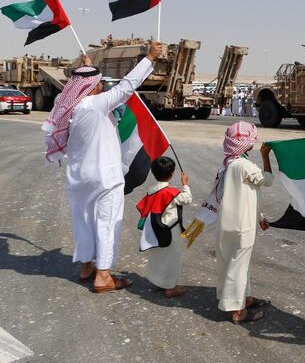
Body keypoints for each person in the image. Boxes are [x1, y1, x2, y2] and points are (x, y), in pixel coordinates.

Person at [42, 42, 161, 292]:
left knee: (83, 221)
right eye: (99, 84)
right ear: (94, 87)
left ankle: (86, 267)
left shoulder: (68, 106)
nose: (101, 87)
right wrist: (150, 57)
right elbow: (128, 84)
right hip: (104, 178)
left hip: (78, 178)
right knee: (107, 222)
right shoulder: (96, 105)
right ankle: (103, 276)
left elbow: (86, 86)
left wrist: (88, 67)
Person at [216, 121, 274, 324]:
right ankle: (237, 310)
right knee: (238, 266)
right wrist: (266, 156)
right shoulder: (244, 165)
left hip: (228, 222)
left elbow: (246, 194)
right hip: (242, 225)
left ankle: (245, 298)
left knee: (235, 262)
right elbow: (267, 180)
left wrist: (260, 217)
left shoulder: (229, 163)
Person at [137, 157, 193, 298]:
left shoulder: (151, 190)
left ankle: (158, 282)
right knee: (172, 258)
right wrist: (185, 184)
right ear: (172, 173)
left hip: (155, 229)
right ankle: (171, 287)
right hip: (170, 230)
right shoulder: (170, 192)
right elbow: (187, 199)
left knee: (157, 256)